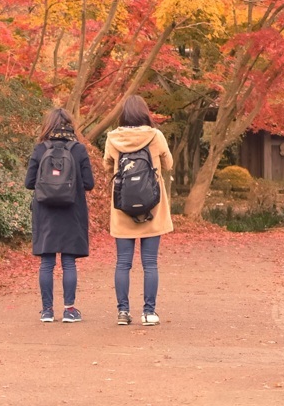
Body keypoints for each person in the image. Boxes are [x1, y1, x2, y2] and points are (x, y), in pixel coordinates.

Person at [103, 95, 173, 326]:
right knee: (150, 262)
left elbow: (106, 166)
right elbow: (169, 164)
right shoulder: (156, 136)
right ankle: (149, 312)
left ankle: (123, 312)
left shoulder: (113, 138)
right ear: (144, 113)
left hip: (123, 208)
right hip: (152, 207)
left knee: (123, 262)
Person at [25, 107, 94, 323]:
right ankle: (69, 310)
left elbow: (29, 183)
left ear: (48, 126)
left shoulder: (39, 149)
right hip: (72, 212)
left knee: (47, 263)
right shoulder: (79, 150)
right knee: (68, 263)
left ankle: (47, 311)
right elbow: (89, 184)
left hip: (45, 213)